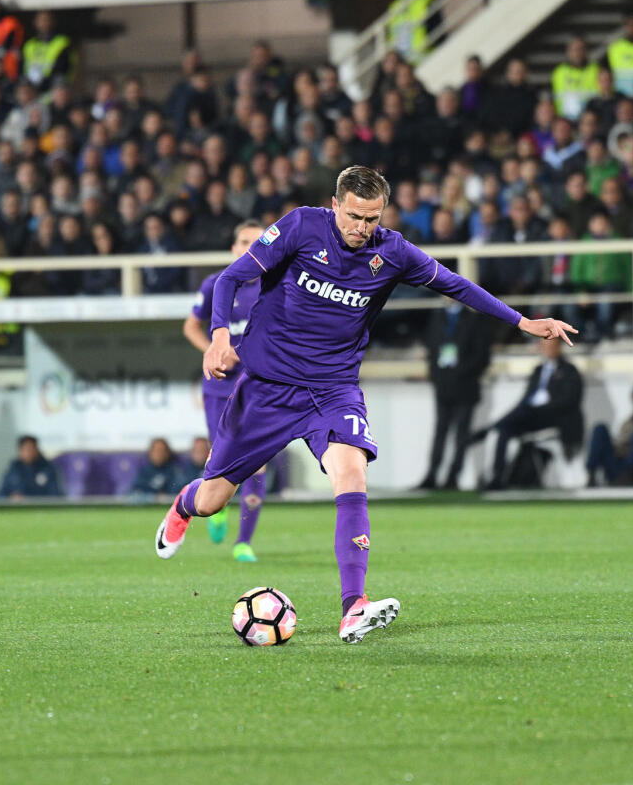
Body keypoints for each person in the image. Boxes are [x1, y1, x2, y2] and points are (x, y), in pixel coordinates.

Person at [155, 166, 576, 644]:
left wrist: (522, 322)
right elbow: (232, 278)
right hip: (267, 386)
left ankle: (353, 606)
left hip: (333, 389)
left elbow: (456, 284)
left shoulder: (392, 251)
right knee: (213, 500)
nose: (361, 228)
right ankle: (184, 506)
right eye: (354, 216)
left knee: (352, 475)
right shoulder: (299, 226)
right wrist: (218, 336)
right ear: (335, 205)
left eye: (372, 218)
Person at [181, 219, 266, 562]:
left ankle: (244, 542)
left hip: (259, 384)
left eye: (257, 242)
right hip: (218, 385)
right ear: (233, 247)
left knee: (258, 463)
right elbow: (191, 326)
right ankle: (217, 507)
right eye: (244, 241)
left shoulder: (276, 286)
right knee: (222, 456)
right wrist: (212, 350)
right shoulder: (216, 284)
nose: (249, 248)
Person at [465, 337, 583, 490]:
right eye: (544, 345)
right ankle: (497, 477)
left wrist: (543, 406)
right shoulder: (538, 371)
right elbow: (524, 401)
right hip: (530, 418)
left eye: (551, 345)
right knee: (504, 431)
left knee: (522, 413)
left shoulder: (569, 371)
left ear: (559, 347)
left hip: (554, 418)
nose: (547, 349)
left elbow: (569, 401)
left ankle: (486, 431)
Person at [417, 299, 492, 490]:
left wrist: (460, 371)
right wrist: (437, 375)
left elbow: (482, 355)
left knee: (461, 434)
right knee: (440, 432)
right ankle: (432, 475)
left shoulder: (474, 320)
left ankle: (453, 476)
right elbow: (432, 349)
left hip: (465, 385)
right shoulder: (438, 317)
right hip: (443, 385)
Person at [22, 10, 74, 92]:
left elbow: (61, 69)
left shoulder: (62, 42)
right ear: (35, 22)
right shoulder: (29, 45)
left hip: (53, 88)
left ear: (53, 22)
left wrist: (43, 82)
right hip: (31, 89)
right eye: (41, 20)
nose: (44, 23)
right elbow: (24, 69)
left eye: (46, 20)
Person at [0, 434, 62, 499]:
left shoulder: (47, 468)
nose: (29, 452)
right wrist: (11, 498)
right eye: (26, 449)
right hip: (18, 508)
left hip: (41, 508)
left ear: (37, 449)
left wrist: (31, 499)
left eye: (32, 448)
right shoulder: (13, 469)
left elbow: (55, 495)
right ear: (20, 451)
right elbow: (0, 494)